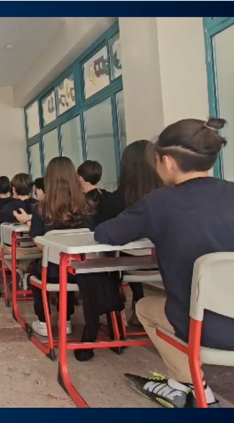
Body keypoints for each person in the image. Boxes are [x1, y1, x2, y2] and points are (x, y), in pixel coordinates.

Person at [94, 118, 234, 408]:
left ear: (167, 162)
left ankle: (192, 387)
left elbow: (106, 234)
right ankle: (182, 386)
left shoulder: (158, 203)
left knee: (145, 308)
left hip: (206, 328)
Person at [14, 157, 123, 361]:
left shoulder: (41, 209)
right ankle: (66, 320)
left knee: (36, 273)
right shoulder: (89, 205)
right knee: (64, 268)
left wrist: (30, 226)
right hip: (85, 270)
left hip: (55, 272)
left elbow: (41, 245)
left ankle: (45, 322)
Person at [96, 140, 164, 327]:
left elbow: (100, 232)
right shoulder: (171, 198)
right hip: (164, 264)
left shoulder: (114, 201)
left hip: (126, 265)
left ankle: (122, 306)